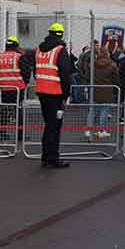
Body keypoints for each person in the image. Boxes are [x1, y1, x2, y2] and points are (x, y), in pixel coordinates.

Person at [34, 23, 75, 169]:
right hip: (56, 94)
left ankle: (46, 157)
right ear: (61, 34)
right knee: (54, 127)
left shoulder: (39, 49)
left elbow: (36, 70)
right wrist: (66, 96)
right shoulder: (60, 50)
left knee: (48, 125)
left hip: (42, 92)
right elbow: (65, 75)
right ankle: (52, 158)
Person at [0, 36, 30, 140]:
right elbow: (26, 71)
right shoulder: (19, 56)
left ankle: (1, 133)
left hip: (5, 88)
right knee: (18, 110)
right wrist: (26, 82)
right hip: (18, 88)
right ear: (16, 45)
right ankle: (19, 135)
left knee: (4, 110)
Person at [86, 46, 120, 141]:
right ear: (107, 54)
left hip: (94, 90)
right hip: (107, 91)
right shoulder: (112, 65)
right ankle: (102, 131)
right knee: (104, 111)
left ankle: (89, 130)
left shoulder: (93, 64)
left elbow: (88, 76)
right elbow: (116, 79)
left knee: (92, 111)